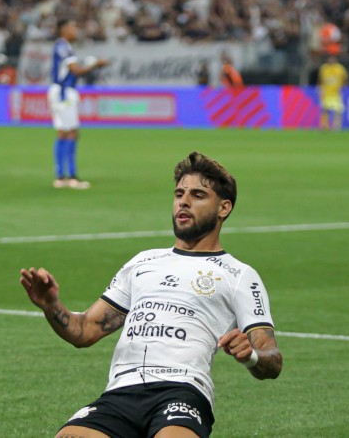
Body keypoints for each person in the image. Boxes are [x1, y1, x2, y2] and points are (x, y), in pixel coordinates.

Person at [20, 151, 283, 438]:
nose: (183, 201)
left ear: (224, 208)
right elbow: (85, 330)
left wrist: (252, 357)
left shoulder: (239, 275)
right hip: (121, 393)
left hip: (182, 392)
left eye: (198, 195)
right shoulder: (143, 262)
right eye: (179, 193)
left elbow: (272, 358)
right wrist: (50, 305)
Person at [49, 18, 107, 190]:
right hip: (64, 92)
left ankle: (61, 177)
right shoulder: (64, 47)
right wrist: (95, 64)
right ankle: (71, 177)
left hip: (60, 92)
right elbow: (76, 71)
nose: (76, 30)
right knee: (71, 132)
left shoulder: (63, 47)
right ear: (64, 29)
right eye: (73, 26)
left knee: (63, 133)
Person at [318, 55, 348, 131]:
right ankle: (324, 125)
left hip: (336, 93)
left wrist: (342, 87)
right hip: (326, 93)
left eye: (333, 59)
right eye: (330, 59)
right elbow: (320, 80)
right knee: (325, 110)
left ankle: (336, 126)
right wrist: (320, 90)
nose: (331, 60)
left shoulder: (340, 68)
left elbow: (345, 79)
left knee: (338, 110)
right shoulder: (324, 68)